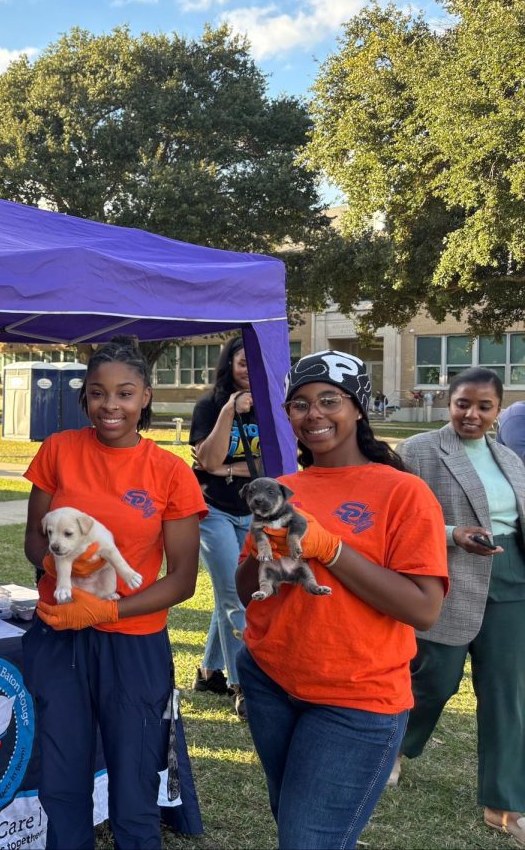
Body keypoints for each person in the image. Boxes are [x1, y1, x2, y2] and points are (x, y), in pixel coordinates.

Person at [235, 349, 449, 850]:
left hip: (356, 699)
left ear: (358, 407)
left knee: (308, 839)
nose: (314, 414)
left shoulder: (404, 493)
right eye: (300, 404)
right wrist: (268, 551)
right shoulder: (281, 488)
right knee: (291, 820)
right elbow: (249, 593)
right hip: (270, 681)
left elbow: (423, 609)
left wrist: (331, 550)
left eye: (329, 400)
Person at [24, 341, 207, 848]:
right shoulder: (58, 450)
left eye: (125, 394)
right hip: (60, 635)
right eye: (98, 393)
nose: (111, 405)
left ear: (145, 397)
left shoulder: (169, 471)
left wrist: (107, 609)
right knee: (62, 779)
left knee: (135, 782)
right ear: (84, 396)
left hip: (133, 644)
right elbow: (35, 540)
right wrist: (57, 565)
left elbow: (183, 580)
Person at [396, 368, 525, 845]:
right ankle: (394, 749)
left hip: (513, 579)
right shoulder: (418, 451)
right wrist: (453, 535)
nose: (472, 414)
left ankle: (504, 803)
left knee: (507, 692)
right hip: (449, 577)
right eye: (463, 404)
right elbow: (400, 517)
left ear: (498, 411)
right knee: (435, 679)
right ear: (448, 403)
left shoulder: (509, 458)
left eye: (483, 407)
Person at [189, 336, 259, 717]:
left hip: (251, 512)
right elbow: (208, 460)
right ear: (229, 364)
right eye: (242, 362)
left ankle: (209, 672)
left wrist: (225, 468)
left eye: (253, 363)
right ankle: (243, 684)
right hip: (213, 509)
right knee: (235, 595)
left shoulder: (271, 407)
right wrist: (230, 410)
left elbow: (271, 465)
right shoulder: (209, 406)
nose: (248, 370)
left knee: (232, 593)